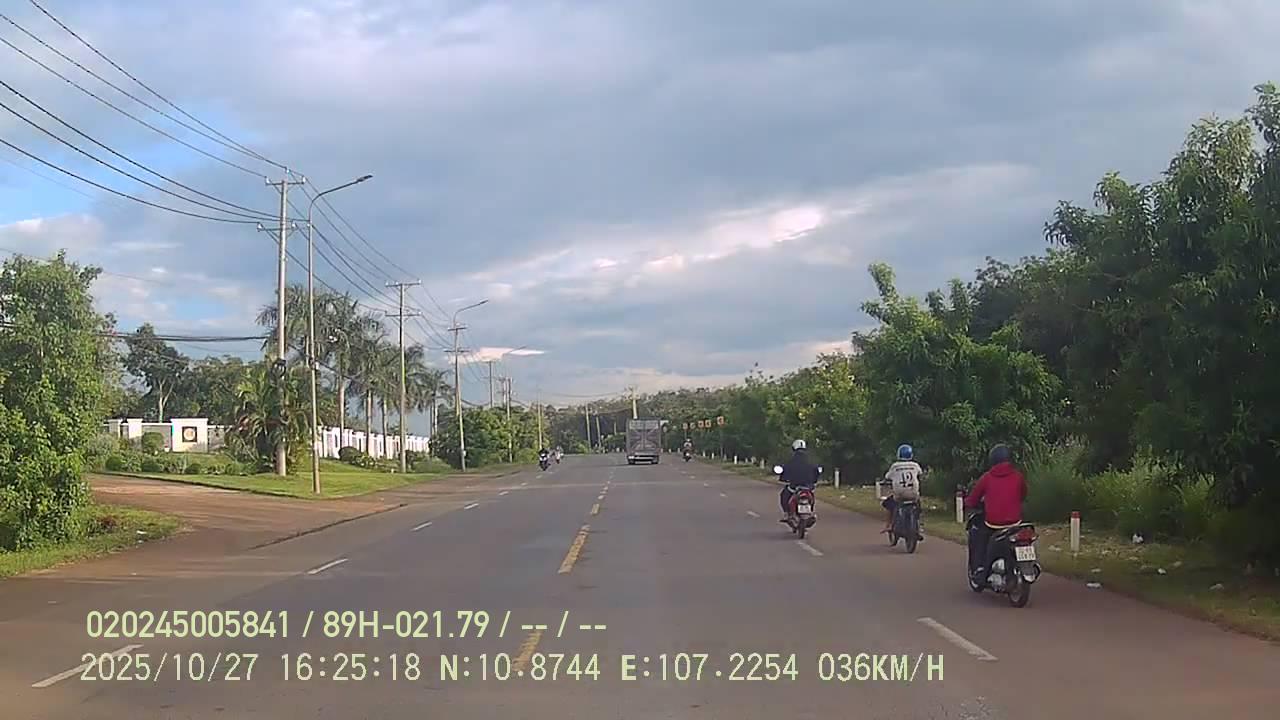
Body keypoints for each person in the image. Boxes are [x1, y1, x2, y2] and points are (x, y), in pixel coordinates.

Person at [964, 443, 1028, 578]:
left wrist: (968, 503)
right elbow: (1023, 494)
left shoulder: (987, 477)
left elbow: (973, 498)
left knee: (978, 537)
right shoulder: (1018, 476)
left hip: (994, 525)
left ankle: (980, 569)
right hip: (1016, 523)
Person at [881, 444, 923, 535]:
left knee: (888, 504)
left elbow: (887, 477)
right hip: (913, 494)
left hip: (899, 495)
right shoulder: (915, 465)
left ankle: (888, 525)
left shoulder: (895, 466)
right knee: (918, 505)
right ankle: (919, 524)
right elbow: (920, 474)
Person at [778, 439, 819, 521]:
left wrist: (783, 478)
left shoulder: (792, 460)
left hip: (795, 485)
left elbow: (786, 470)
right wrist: (814, 480)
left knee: (784, 495)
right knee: (811, 495)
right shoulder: (810, 459)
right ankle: (811, 511)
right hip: (808, 485)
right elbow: (816, 471)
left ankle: (786, 513)